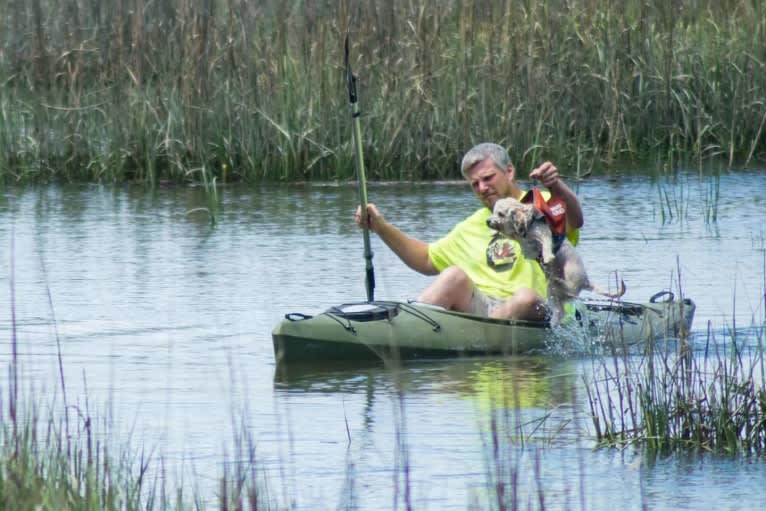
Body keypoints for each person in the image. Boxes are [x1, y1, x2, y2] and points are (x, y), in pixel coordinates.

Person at [354, 142, 583, 321]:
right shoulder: (472, 226)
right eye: (475, 184)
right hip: (487, 310)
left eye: (488, 178)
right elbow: (425, 259)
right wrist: (381, 227)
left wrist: (555, 186)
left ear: (510, 172)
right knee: (453, 276)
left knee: (524, 297)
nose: (482, 188)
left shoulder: (541, 204)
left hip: (538, 309)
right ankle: (411, 328)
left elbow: (575, 220)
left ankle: (479, 338)